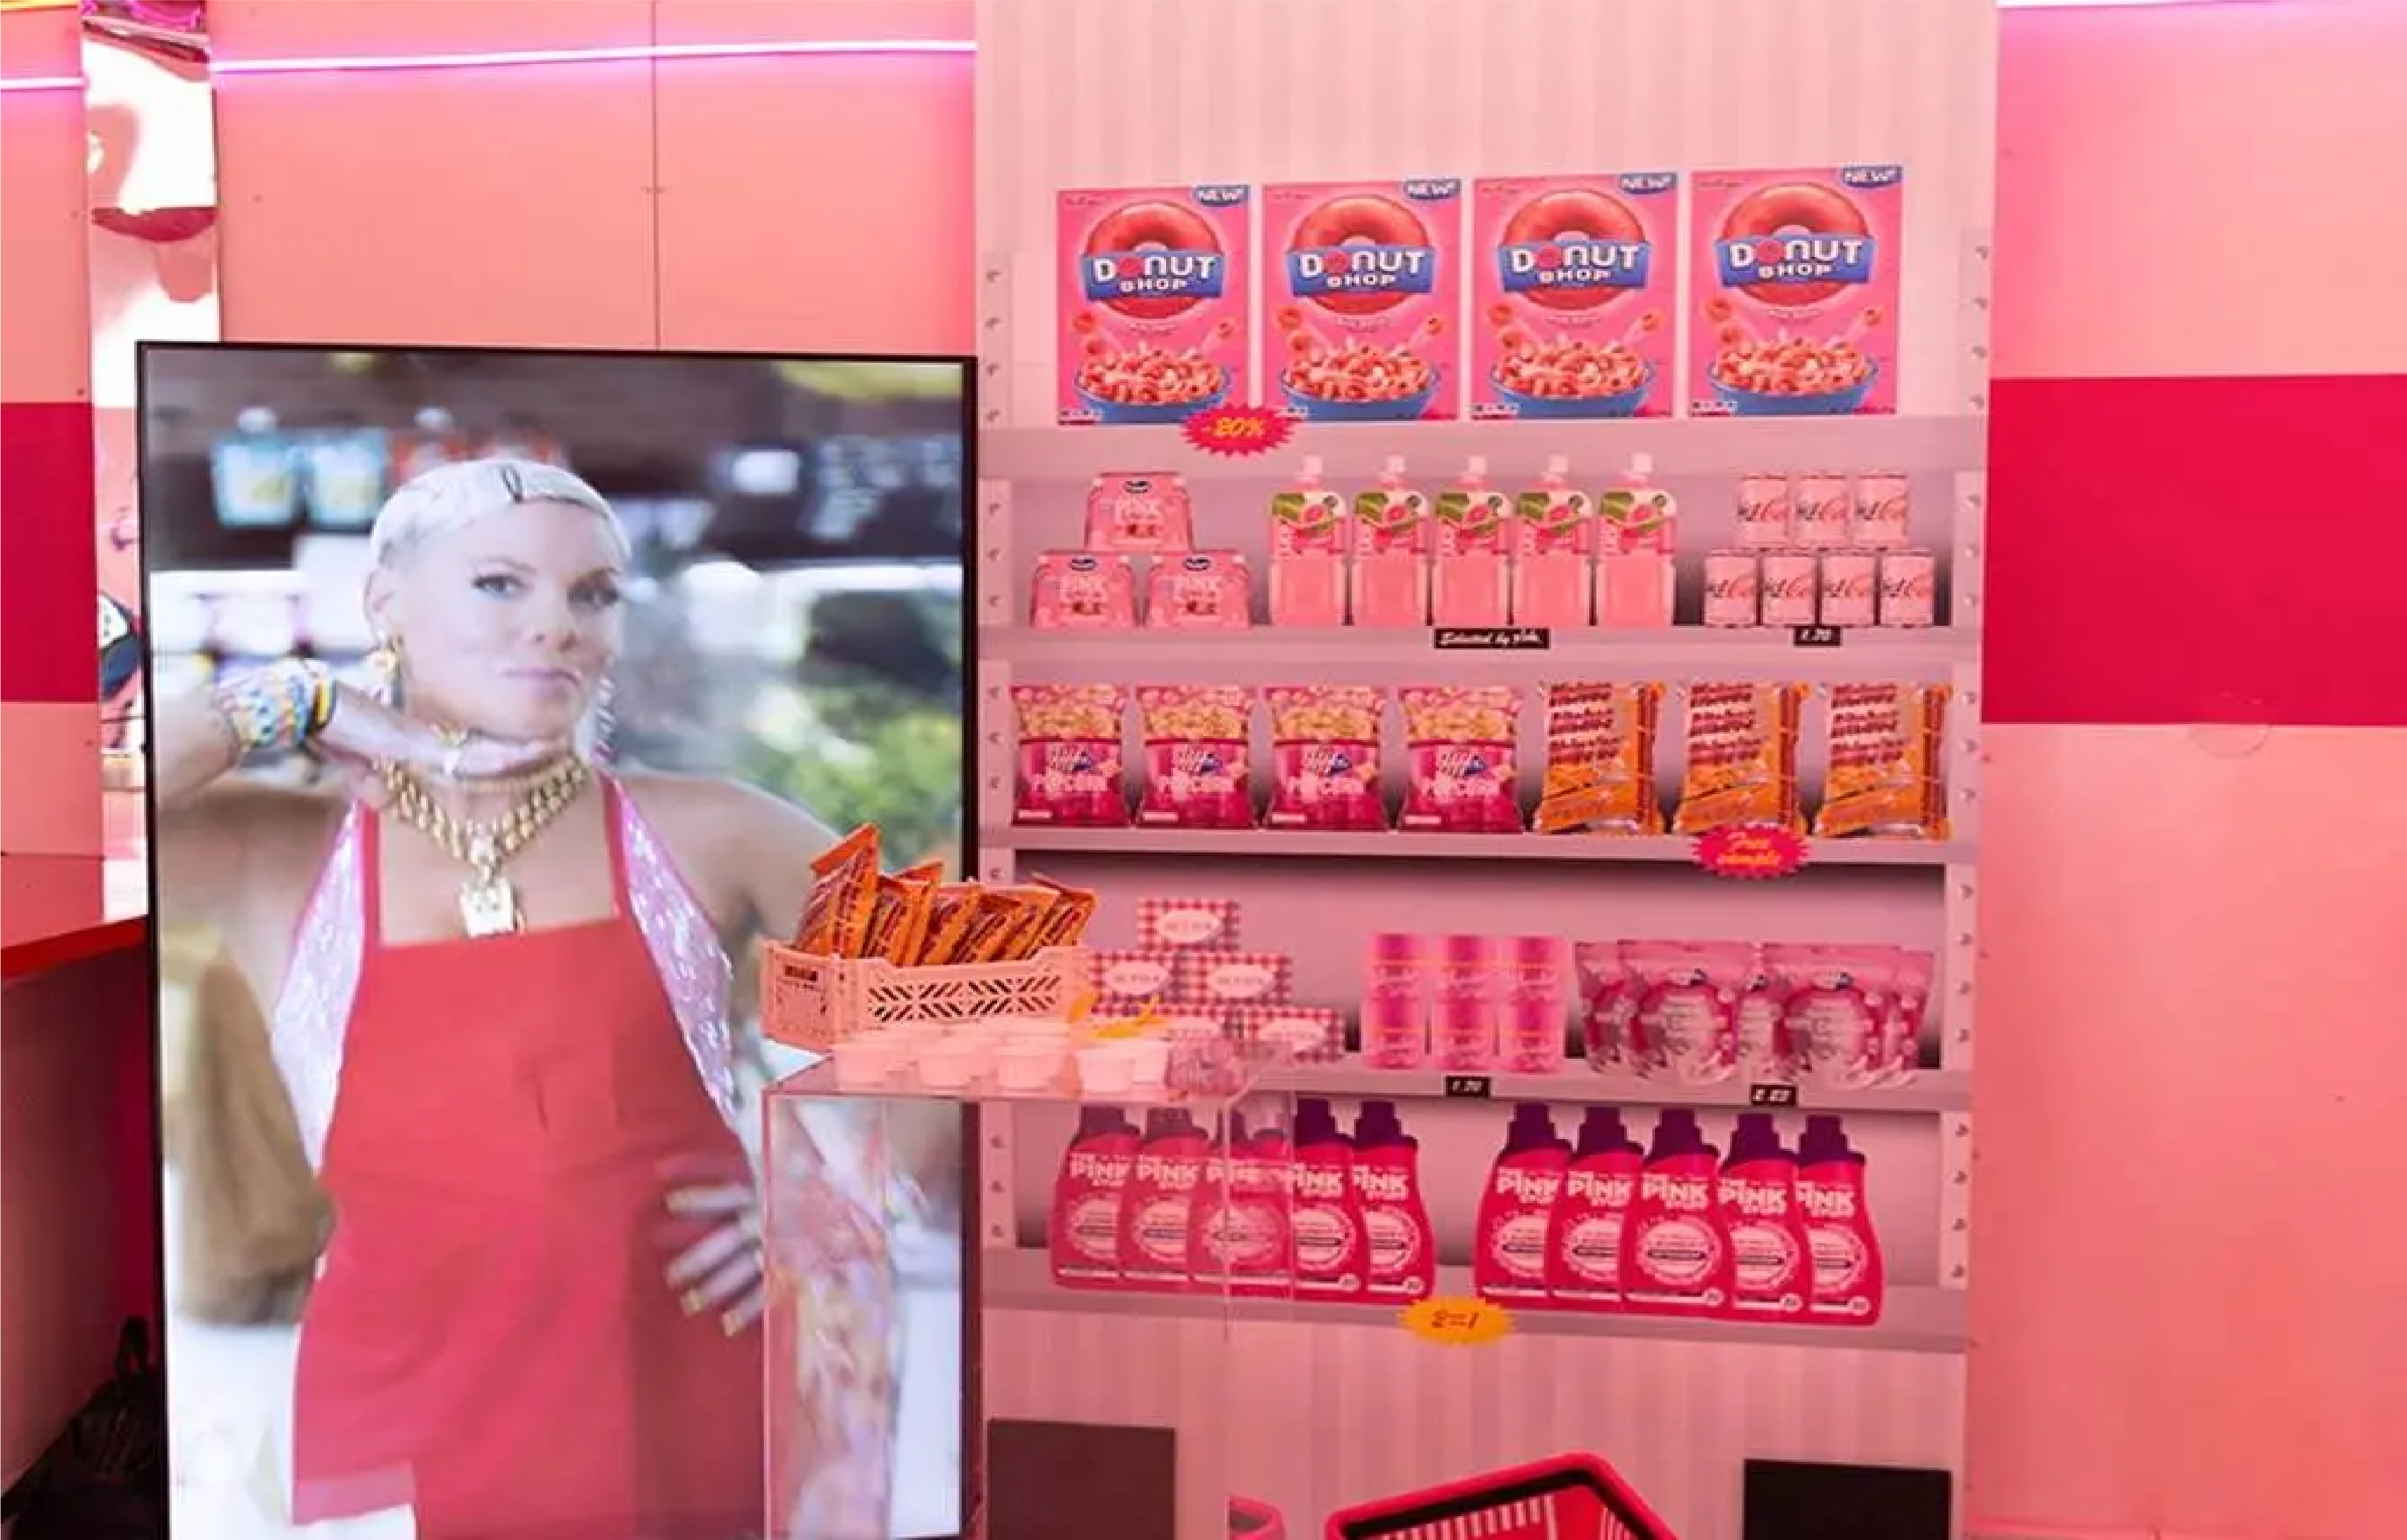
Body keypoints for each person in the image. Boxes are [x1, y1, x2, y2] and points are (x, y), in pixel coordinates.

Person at [158, 458, 839, 1539]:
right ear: (385, 602)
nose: (556, 624)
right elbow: (42, 814)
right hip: (401, 1404)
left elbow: (970, 1001)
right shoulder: (273, 854)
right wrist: (292, 700)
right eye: (499, 584)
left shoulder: (719, 829)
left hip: (683, 1375)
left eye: (592, 593)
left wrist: (830, 1204)